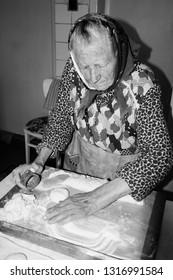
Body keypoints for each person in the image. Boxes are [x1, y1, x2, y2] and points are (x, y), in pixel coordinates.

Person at [13, 13, 173, 224]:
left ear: (119, 51)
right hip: (81, 167)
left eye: (101, 64)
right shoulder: (73, 68)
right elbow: (61, 117)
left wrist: (92, 201)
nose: (92, 77)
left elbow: (160, 156)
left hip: (122, 184)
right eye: (85, 66)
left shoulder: (143, 84)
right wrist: (38, 162)